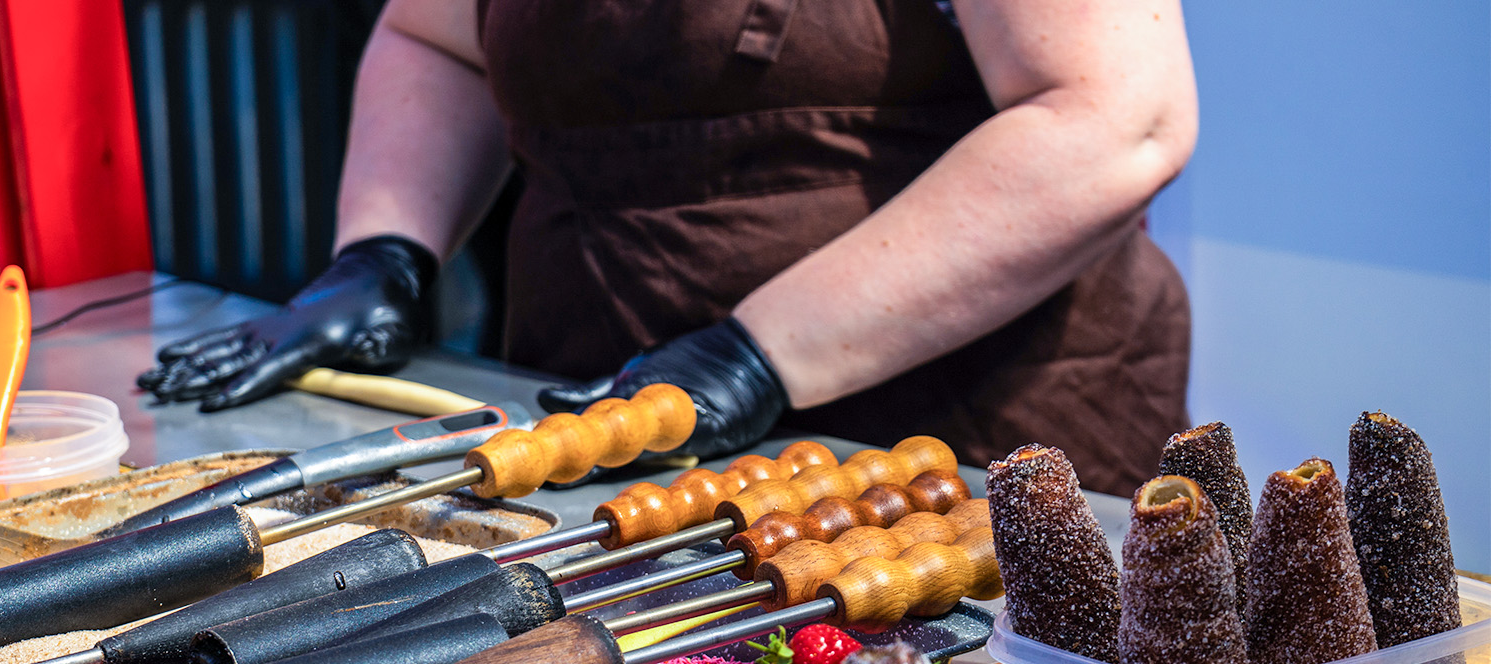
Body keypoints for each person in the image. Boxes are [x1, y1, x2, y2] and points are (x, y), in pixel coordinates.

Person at [139, 0, 1197, 497]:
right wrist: (382, 248)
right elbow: (438, 38)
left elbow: (1115, 118)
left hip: (953, 443)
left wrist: (759, 352)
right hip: (604, 427)